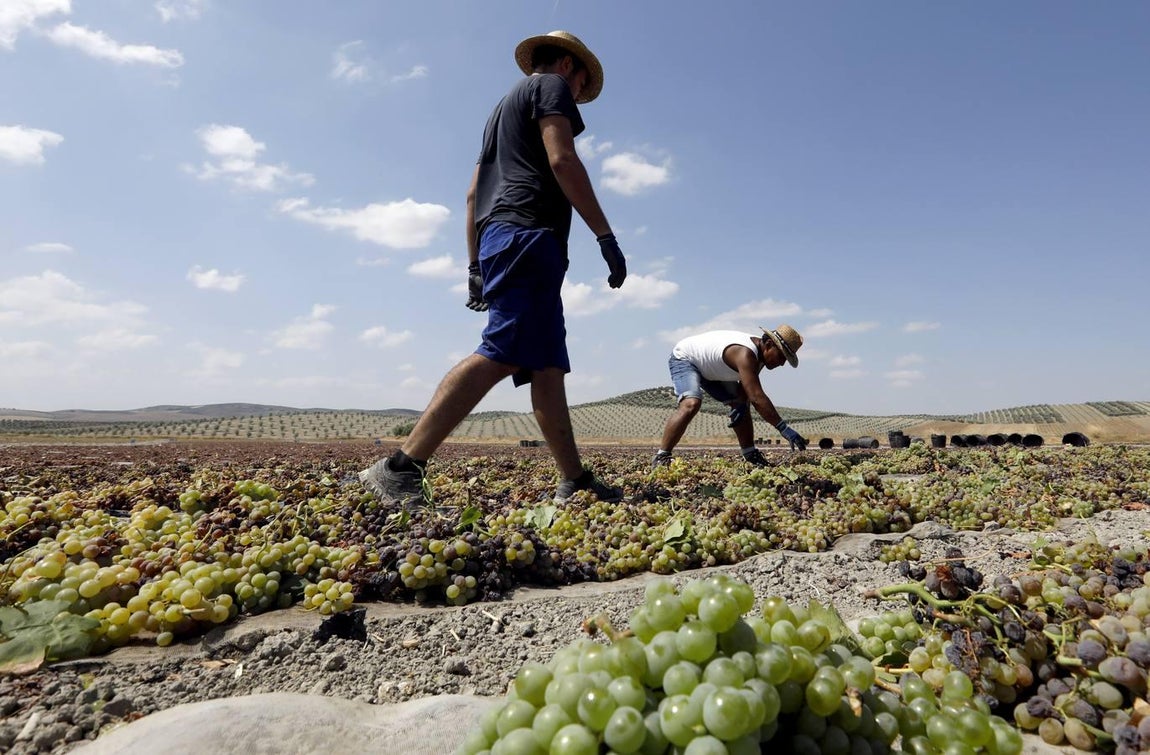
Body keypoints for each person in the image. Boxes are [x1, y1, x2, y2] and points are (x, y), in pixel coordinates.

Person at [360, 30, 627, 510]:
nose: (579, 94)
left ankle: (575, 479)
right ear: (569, 65)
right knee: (503, 351)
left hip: (502, 237)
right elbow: (563, 159)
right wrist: (605, 235)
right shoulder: (550, 86)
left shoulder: (500, 113)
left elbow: (472, 195)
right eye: (582, 84)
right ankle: (400, 466)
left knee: (547, 365)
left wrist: (474, 265)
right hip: (528, 234)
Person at [653, 325, 809, 467]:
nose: (782, 363)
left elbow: (747, 389)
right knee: (691, 403)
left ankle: (750, 454)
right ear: (768, 345)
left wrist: (741, 403)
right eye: (781, 356)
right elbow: (756, 396)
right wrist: (782, 427)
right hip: (686, 359)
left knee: (742, 403)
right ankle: (661, 456)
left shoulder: (759, 357)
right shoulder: (746, 354)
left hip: (712, 370)